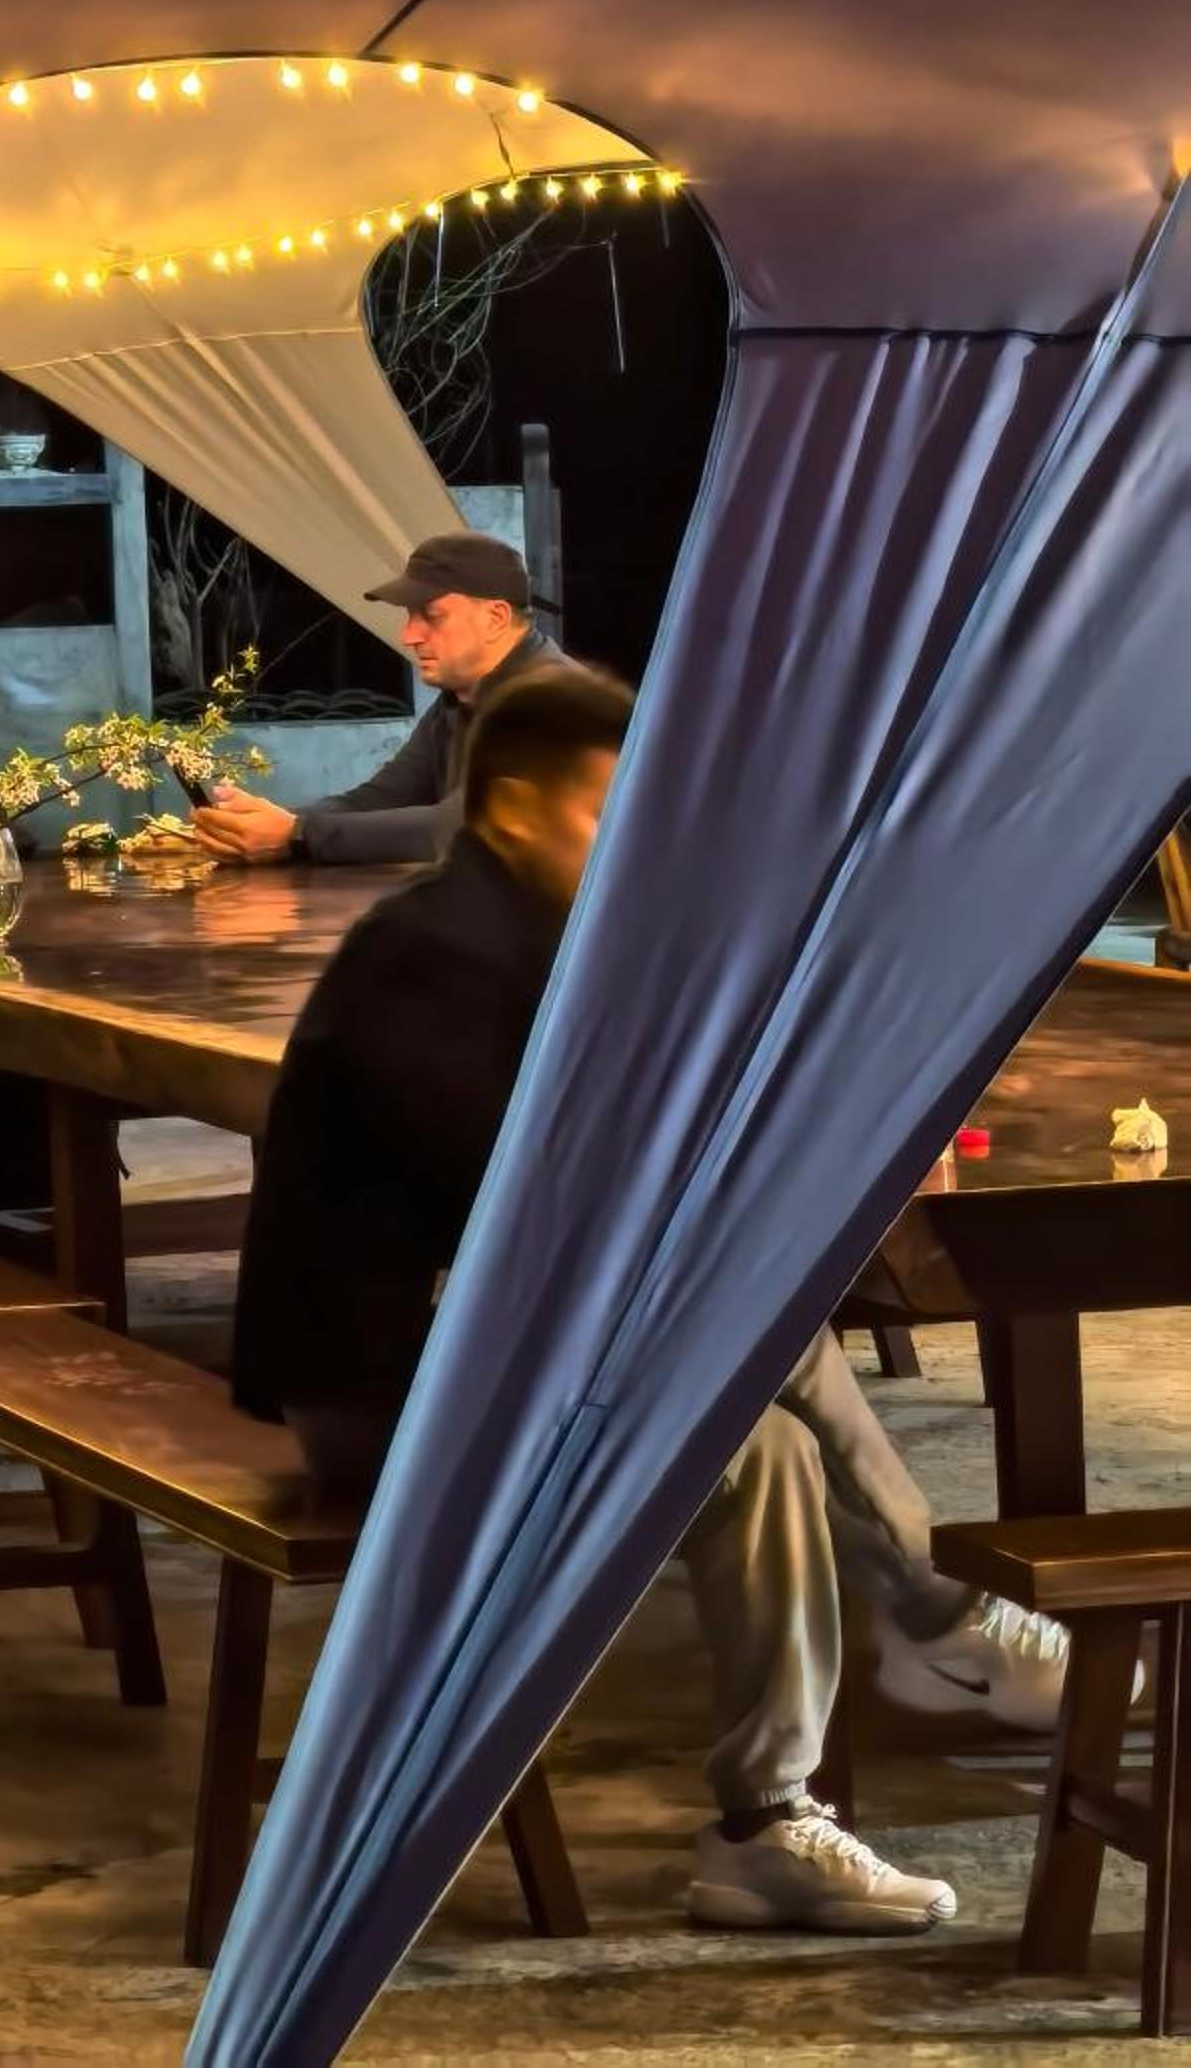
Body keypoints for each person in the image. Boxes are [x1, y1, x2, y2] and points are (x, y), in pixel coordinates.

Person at [231, 664, 1069, 1937]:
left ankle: (770, 1822)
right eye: (603, 816)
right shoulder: (433, 954)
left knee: (766, 1434)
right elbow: (535, 1208)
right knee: (749, 1341)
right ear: (515, 809)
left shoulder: (540, 942)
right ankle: (940, 1620)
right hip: (376, 1395)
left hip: (479, 1357)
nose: (633, 849)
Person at [192, 531, 568, 866]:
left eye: (431, 615)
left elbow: (474, 825)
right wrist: (252, 825)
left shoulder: (554, 700)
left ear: (495, 619)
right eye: (410, 615)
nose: (409, 636)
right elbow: (375, 800)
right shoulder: (460, 698)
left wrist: (296, 834)